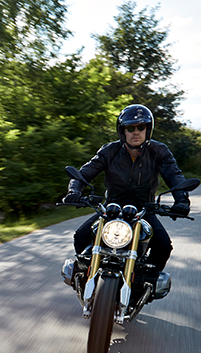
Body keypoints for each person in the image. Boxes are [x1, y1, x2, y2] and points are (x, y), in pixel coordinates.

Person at [63, 104, 191, 278]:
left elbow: (174, 175)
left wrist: (182, 200)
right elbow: (84, 173)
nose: (135, 132)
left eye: (141, 127)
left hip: (144, 210)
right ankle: (84, 274)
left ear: (148, 129)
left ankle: (145, 281)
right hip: (110, 209)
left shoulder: (159, 151)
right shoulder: (109, 151)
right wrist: (74, 191)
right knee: (81, 236)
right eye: (130, 128)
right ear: (122, 131)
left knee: (163, 246)